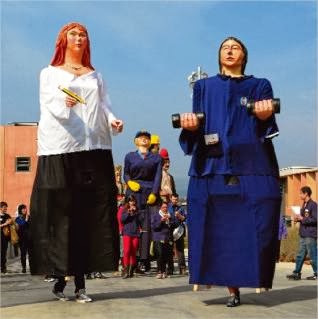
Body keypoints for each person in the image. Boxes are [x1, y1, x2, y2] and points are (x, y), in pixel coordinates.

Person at [178, 36, 281, 307]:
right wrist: (190, 126)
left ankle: (255, 277)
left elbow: (267, 123)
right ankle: (230, 289)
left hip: (253, 165)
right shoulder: (203, 86)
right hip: (210, 166)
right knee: (216, 226)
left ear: (244, 55)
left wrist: (264, 114)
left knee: (257, 221)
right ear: (219, 55)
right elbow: (197, 123)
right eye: (225, 47)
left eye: (235, 47)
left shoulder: (259, 85)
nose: (230, 50)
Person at [29, 22, 123, 303]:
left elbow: (103, 105)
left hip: (94, 147)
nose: (79, 38)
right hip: (60, 147)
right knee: (60, 213)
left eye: (83, 34)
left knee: (90, 214)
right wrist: (64, 104)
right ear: (63, 40)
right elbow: (49, 103)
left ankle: (81, 282)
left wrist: (112, 120)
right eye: (73, 34)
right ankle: (59, 277)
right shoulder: (49, 73)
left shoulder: (95, 75)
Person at [124, 131, 162, 273]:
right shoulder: (130, 156)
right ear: (135, 141)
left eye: (147, 138)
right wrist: (129, 182)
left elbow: (158, 176)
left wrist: (154, 192)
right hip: (134, 191)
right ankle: (129, 262)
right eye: (141, 138)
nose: (144, 140)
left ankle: (143, 260)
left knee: (146, 228)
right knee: (131, 223)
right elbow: (126, 173)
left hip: (149, 191)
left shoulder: (156, 158)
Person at [286, 186, 317, 280]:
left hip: (310, 234)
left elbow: (315, 219)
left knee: (312, 254)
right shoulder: (304, 204)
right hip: (303, 233)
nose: (299, 195)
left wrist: (303, 219)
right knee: (300, 254)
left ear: (306, 193)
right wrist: (298, 219)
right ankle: (297, 273)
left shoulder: (313, 205)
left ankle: (317, 273)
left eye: (301, 193)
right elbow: (304, 218)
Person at [151, 201, 176, 279]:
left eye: (166, 207)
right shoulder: (155, 215)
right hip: (158, 237)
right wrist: (161, 221)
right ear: (160, 208)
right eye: (163, 207)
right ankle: (159, 271)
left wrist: (170, 220)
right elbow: (154, 227)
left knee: (166, 255)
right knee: (160, 254)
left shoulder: (170, 215)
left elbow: (175, 225)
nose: (165, 209)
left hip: (167, 238)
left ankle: (164, 271)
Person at [121, 195, 143, 278]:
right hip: (127, 232)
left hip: (135, 233)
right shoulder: (124, 209)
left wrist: (136, 213)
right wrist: (129, 212)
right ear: (128, 202)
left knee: (133, 252)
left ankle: (131, 270)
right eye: (130, 201)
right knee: (126, 251)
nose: (132, 202)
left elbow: (141, 220)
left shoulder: (138, 210)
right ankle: (125, 269)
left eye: (133, 201)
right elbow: (122, 220)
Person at [168, 193, 187, 275]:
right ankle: (170, 269)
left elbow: (185, 218)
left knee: (180, 250)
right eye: (173, 199)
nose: (175, 201)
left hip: (179, 231)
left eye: (176, 199)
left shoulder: (181, 208)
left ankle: (182, 268)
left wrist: (179, 216)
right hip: (169, 231)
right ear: (171, 199)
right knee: (169, 250)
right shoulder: (168, 208)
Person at [15, 204, 30, 273]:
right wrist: (26, 220)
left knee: (31, 254)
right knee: (23, 254)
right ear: (20, 210)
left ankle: (32, 267)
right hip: (22, 239)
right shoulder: (18, 219)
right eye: (23, 209)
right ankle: (24, 267)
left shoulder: (29, 217)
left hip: (29, 238)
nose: (25, 210)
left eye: (25, 208)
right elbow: (21, 227)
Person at [0, 201, 12, 274]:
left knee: (3, 252)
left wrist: (11, 221)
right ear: (0, 208)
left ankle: (3, 268)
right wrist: (5, 223)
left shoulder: (7, 215)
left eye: (6, 208)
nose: (5, 209)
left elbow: (12, 223)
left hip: (5, 237)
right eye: (4, 208)